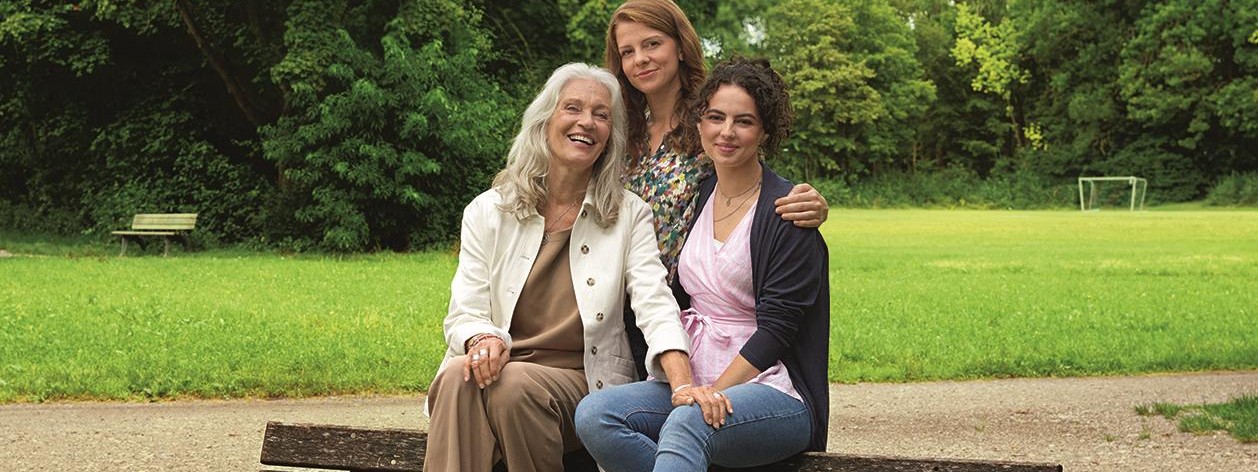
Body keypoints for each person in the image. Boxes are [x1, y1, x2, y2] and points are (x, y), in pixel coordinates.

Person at [423, 63, 699, 472]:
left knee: (514, 387)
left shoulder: (629, 214)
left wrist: (683, 383)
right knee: (456, 376)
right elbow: (466, 309)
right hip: (498, 369)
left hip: (581, 379)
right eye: (572, 108)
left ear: (610, 135)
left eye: (601, 115)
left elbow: (654, 300)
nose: (586, 122)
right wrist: (482, 339)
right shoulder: (488, 210)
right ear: (545, 120)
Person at [575, 57, 830, 471]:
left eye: (743, 121)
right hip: (694, 369)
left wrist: (710, 391)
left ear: (764, 130)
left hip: (771, 386)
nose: (726, 132)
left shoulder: (786, 213)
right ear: (699, 124)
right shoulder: (699, 194)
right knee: (596, 415)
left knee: (687, 423)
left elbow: (778, 332)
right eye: (716, 117)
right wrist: (692, 386)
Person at [604, 0, 829, 379]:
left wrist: (813, 203)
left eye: (652, 44)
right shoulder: (622, 128)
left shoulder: (710, 117)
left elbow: (752, 176)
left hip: (675, 304)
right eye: (628, 51)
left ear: (680, 46)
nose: (640, 59)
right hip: (615, 295)